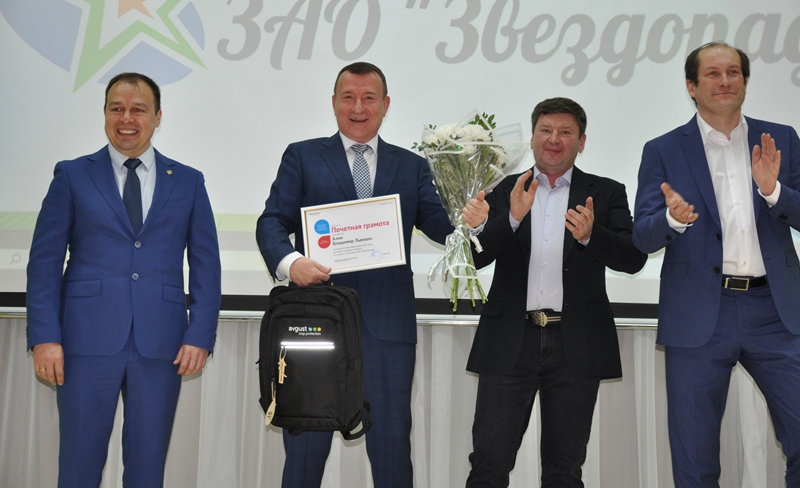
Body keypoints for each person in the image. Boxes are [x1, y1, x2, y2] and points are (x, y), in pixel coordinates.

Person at [256, 61, 488, 488]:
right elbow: (271, 221)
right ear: (334, 103)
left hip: (387, 330)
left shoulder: (412, 165)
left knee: (392, 451)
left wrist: (470, 221)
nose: (358, 108)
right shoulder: (303, 156)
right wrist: (291, 263)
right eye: (349, 97)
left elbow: (441, 227)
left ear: (385, 104)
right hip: (316, 323)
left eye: (369, 98)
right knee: (305, 449)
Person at [26, 72, 221, 487]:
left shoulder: (189, 181)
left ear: (157, 117)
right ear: (104, 114)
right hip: (83, 342)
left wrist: (201, 334)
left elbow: (206, 265)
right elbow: (44, 263)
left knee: (147, 468)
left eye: (138, 109)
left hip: (162, 344)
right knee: (78, 466)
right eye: (117, 108)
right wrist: (44, 336)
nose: (127, 118)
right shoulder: (72, 175)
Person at [633, 41, 800, 486]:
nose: (724, 81)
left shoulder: (780, 139)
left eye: (733, 72)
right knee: (695, 457)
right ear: (691, 86)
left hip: (777, 312)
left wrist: (774, 192)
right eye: (712, 73)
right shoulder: (664, 149)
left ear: (745, 81)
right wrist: (672, 219)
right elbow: (642, 235)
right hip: (698, 313)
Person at [464, 97, 647, 488]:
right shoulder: (502, 189)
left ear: (582, 142)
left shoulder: (607, 192)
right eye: (545, 130)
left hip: (575, 345)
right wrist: (512, 218)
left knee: (564, 472)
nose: (554, 139)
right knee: (488, 466)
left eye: (565, 132)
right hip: (510, 340)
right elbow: (473, 259)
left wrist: (592, 235)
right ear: (532, 138)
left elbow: (633, 259)